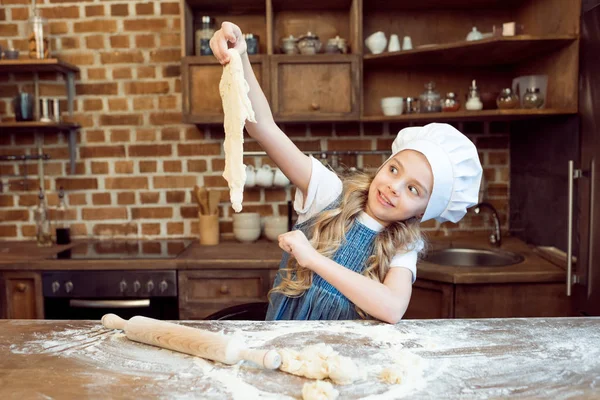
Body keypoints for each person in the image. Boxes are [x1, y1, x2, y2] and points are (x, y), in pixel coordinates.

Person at [210, 22, 483, 324]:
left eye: (413, 189)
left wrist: (313, 259)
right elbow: (262, 126)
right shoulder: (329, 194)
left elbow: (392, 309)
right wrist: (242, 57)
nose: (394, 187)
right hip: (282, 350)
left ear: (424, 211)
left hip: (341, 362)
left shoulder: (402, 246)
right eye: (394, 169)